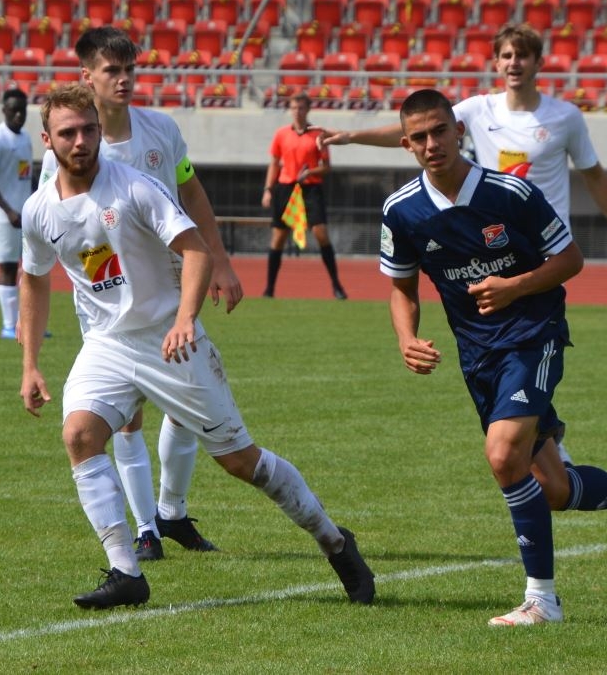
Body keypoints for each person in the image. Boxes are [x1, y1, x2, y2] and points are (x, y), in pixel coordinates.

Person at [19, 84, 375, 609]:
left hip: (169, 339)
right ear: (47, 140)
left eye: (89, 129)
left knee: (241, 462)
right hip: (106, 344)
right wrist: (30, 363)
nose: (81, 141)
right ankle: (126, 572)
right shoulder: (38, 209)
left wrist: (185, 317)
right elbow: (32, 278)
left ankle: (335, 541)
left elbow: (196, 250)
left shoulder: (135, 187)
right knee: (79, 435)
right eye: (68, 133)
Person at [379, 89, 607, 625]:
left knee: (503, 457)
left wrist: (515, 286)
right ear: (406, 145)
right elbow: (402, 287)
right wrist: (406, 337)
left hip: (533, 333)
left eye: (440, 131)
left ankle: (542, 601)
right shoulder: (401, 211)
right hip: (477, 353)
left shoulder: (510, 193)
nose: (432, 144)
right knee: (553, 489)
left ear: (459, 131)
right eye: (420, 137)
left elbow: (570, 259)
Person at [319, 22, 607, 465]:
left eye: (522, 55)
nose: (514, 63)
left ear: (539, 62)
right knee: (535, 464)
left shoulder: (565, 117)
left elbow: (594, 176)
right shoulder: (475, 109)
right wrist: (351, 136)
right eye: (507, 55)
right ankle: (550, 443)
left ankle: (532, 430)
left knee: (509, 436)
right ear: (496, 63)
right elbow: (417, 126)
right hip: (476, 241)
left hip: (535, 249)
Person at [38, 26, 243, 562]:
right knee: (127, 416)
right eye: (112, 70)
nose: (124, 79)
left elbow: (191, 190)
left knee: (185, 406)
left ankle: (171, 511)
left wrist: (219, 260)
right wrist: (114, 279)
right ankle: (146, 528)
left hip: (174, 285)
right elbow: (65, 228)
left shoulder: (161, 130)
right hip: (111, 304)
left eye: (130, 69)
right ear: (87, 77)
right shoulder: (67, 149)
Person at [261, 92, 347, 300]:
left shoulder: (318, 134)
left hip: (310, 188)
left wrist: (310, 172)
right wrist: (268, 189)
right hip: (285, 187)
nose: (297, 112)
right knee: (279, 237)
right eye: (293, 108)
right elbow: (274, 163)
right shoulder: (281, 134)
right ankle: (269, 289)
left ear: (308, 110)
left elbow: (326, 167)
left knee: (320, 232)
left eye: (301, 108)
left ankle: (336, 286)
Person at [0, 87, 35, 340]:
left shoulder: (26, 138)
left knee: (31, 267)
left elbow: (26, 175)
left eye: (22, 110)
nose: (18, 115)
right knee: (9, 267)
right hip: (0, 215)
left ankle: (27, 323)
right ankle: (8, 325)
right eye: (13, 110)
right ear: (4, 110)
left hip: (22, 212)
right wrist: (8, 210)